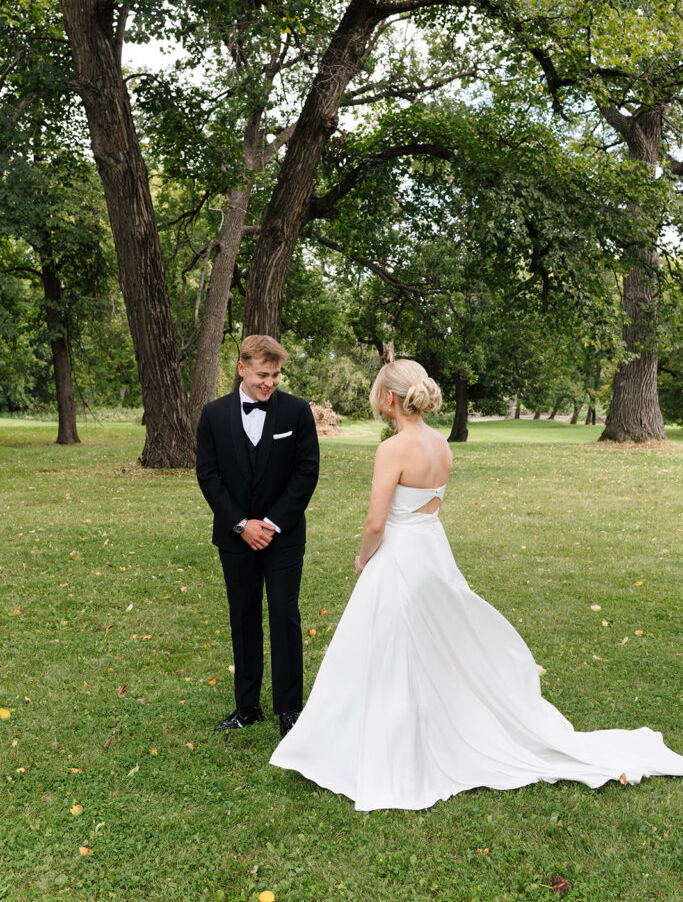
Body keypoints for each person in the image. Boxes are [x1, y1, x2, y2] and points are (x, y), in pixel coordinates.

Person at [270, 359, 683, 810]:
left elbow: (375, 523)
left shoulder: (392, 449)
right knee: (431, 641)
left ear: (389, 398)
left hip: (401, 553)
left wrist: (364, 559)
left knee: (389, 645)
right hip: (432, 551)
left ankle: (388, 741)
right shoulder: (440, 444)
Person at [196, 335, 319, 738]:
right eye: (263, 374)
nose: (270, 382)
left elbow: (306, 472)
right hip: (235, 538)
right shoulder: (213, 415)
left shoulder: (297, 412)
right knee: (243, 616)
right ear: (241, 369)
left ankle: (290, 710)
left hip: (283, 535)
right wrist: (241, 524)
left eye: (276, 375)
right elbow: (208, 475)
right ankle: (247, 707)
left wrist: (271, 523)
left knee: (284, 615)